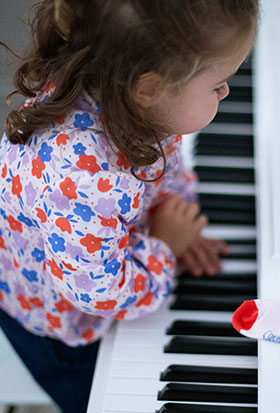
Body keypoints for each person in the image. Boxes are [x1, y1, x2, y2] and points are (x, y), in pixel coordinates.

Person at [0, 0, 259, 411]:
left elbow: (166, 166)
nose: (227, 91)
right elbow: (101, 293)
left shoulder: (131, 98)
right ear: (150, 88)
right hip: (66, 327)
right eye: (217, 84)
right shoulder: (79, 183)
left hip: (89, 256)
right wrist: (163, 250)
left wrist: (171, 212)